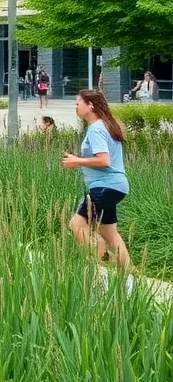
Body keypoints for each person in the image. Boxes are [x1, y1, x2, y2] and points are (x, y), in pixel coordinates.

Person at [62, 89, 130, 268]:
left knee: (77, 225)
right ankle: (127, 276)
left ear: (90, 105)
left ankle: (99, 265)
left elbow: (104, 160)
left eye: (78, 103)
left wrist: (77, 161)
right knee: (110, 233)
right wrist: (79, 160)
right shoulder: (106, 126)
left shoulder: (96, 129)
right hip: (115, 187)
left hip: (104, 188)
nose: (75, 106)